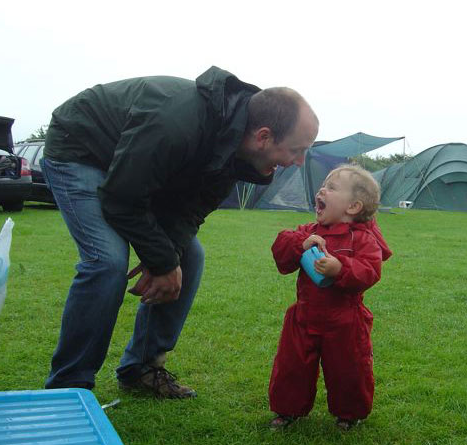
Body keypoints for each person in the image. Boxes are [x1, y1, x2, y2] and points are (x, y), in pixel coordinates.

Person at [40, 66, 319, 398]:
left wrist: (167, 256)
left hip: (133, 170)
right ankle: (68, 387)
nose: (300, 161)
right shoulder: (177, 125)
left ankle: (141, 368)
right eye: (297, 150)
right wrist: (161, 261)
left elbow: (190, 211)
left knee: (189, 256)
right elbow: (122, 197)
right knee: (107, 262)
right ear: (263, 136)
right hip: (82, 149)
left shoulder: (236, 152)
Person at [268, 164, 392, 429]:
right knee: (292, 366)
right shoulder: (310, 230)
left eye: (332, 187)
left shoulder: (363, 239)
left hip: (345, 320)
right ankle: (287, 410)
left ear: (353, 207)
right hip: (304, 315)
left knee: (349, 369)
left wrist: (340, 269)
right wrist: (300, 244)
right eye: (324, 185)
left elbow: (370, 271)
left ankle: (349, 414)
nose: (321, 190)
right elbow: (281, 247)